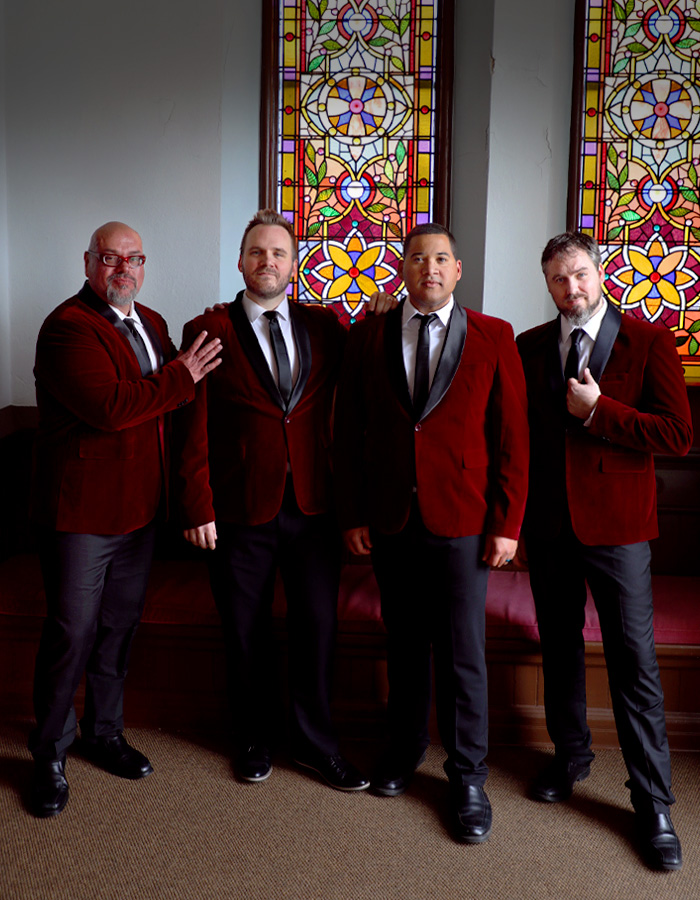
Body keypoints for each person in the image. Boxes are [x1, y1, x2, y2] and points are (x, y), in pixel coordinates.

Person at [175, 209, 394, 791]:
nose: (267, 261)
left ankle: (317, 745)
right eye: (256, 252)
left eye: (278, 253)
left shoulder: (325, 327)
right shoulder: (209, 328)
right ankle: (252, 738)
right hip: (240, 509)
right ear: (240, 261)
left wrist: (380, 316)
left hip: (315, 508)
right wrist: (197, 504)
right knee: (244, 629)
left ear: (293, 264)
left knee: (318, 628)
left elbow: (369, 372)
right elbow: (191, 422)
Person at [334, 223, 529, 842]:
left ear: (457, 268)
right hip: (391, 517)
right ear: (405, 270)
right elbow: (349, 432)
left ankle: (468, 775)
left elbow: (512, 439)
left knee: (462, 652)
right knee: (404, 642)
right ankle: (404, 749)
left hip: (465, 521)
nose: (430, 268)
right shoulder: (368, 334)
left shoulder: (496, 337)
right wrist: (354, 512)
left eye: (441, 258)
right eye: (418, 259)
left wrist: (506, 524)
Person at [28, 221, 222, 818]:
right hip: (82, 517)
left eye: (133, 259)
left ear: (144, 265)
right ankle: (48, 756)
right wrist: (182, 375)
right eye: (110, 259)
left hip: (141, 512)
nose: (123, 269)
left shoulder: (155, 323)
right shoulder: (66, 328)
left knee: (118, 630)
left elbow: (171, 403)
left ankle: (103, 733)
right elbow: (112, 409)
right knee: (72, 635)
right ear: (88, 264)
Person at [517, 231, 693, 871]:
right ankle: (570, 758)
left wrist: (600, 413)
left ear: (599, 273)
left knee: (634, 664)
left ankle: (652, 803)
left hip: (620, 532)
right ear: (548, 285)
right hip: (550, 529)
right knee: (559, 647)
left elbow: (675, 434)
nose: (572, 287)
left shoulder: (650, 341)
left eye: (581, 274)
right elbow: (522, 442)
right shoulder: (529, 347)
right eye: (559, 279)